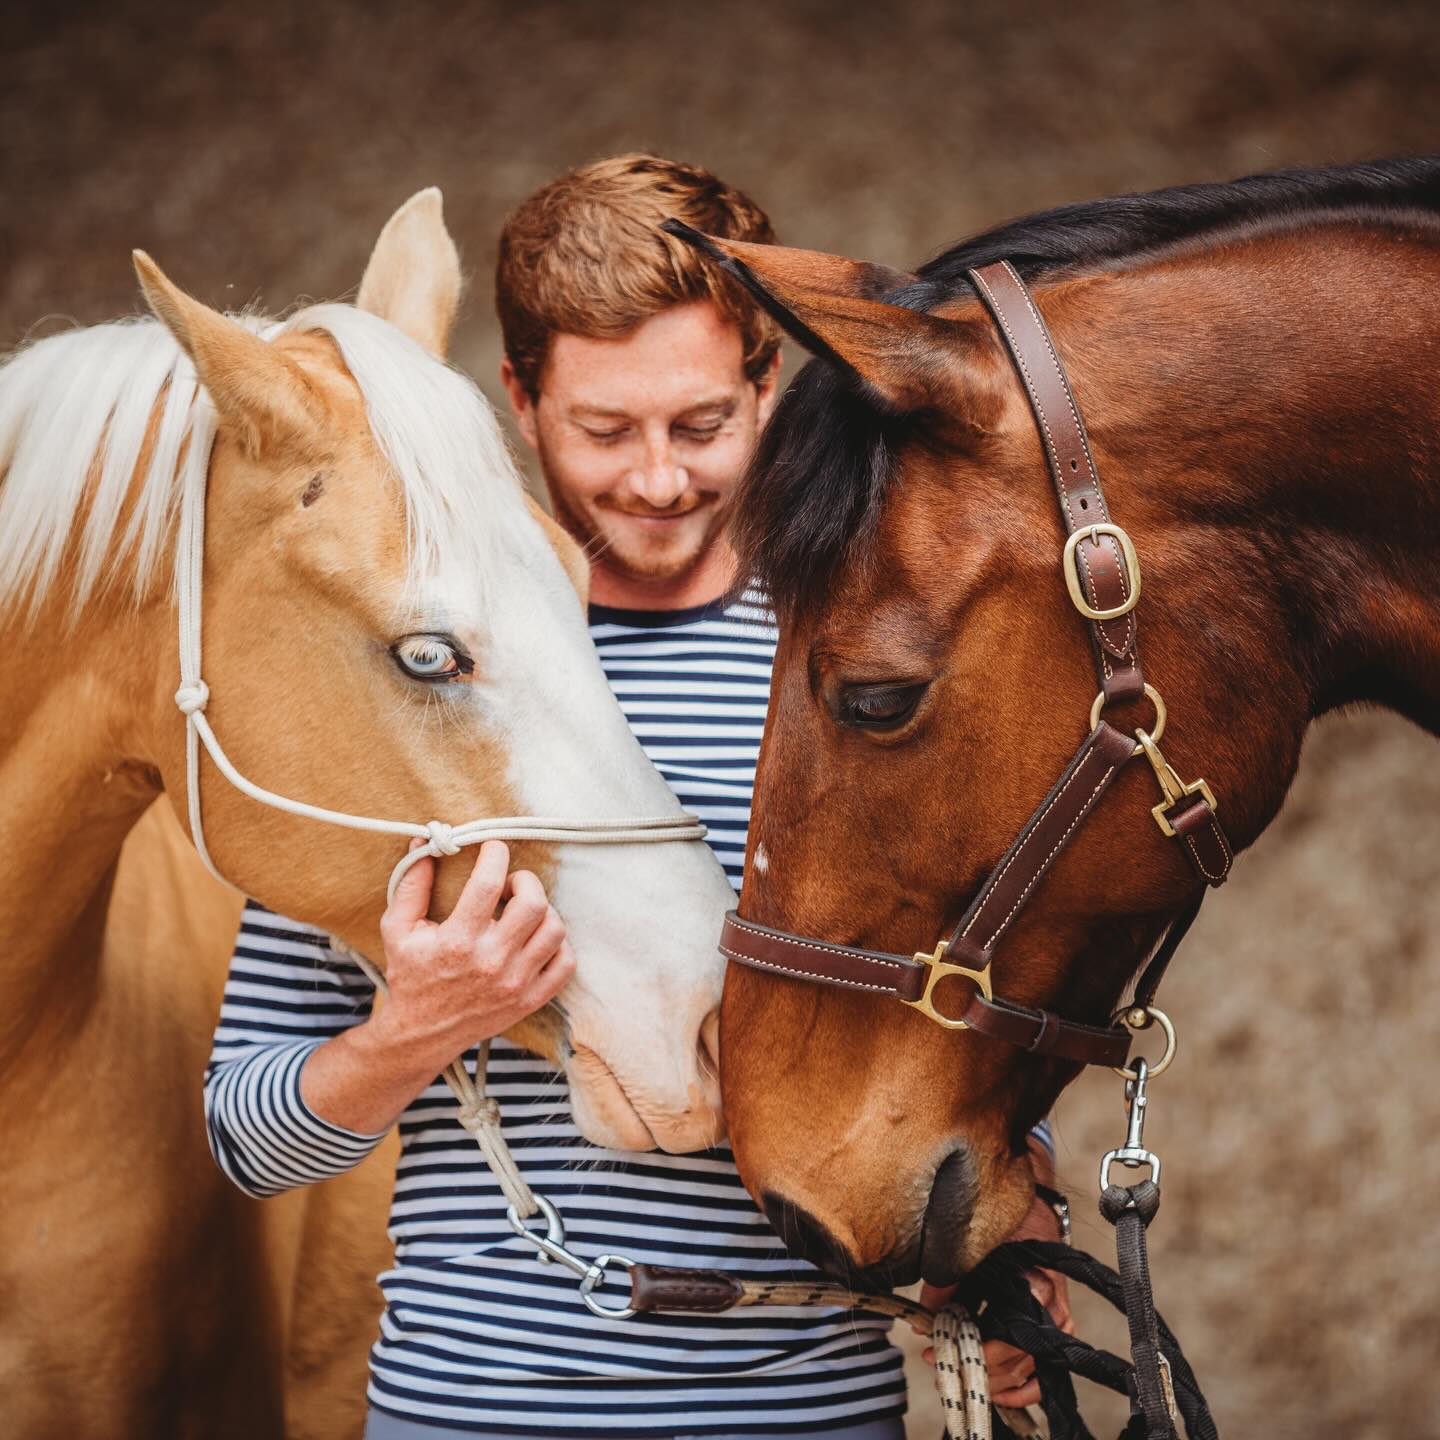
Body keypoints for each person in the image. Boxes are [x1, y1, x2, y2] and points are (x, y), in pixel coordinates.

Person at [203, 153, 1063, 1440]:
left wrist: (1013, 1222)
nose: (658, 481)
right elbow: (246, 1136)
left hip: (806, 1411)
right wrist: (416, 1029)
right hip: (471, 1409)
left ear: (769, 387)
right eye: (605, 431)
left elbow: (959, 1036)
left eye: (701, 426)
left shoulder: (872, 677)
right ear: (520, 397)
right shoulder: (403, 685)